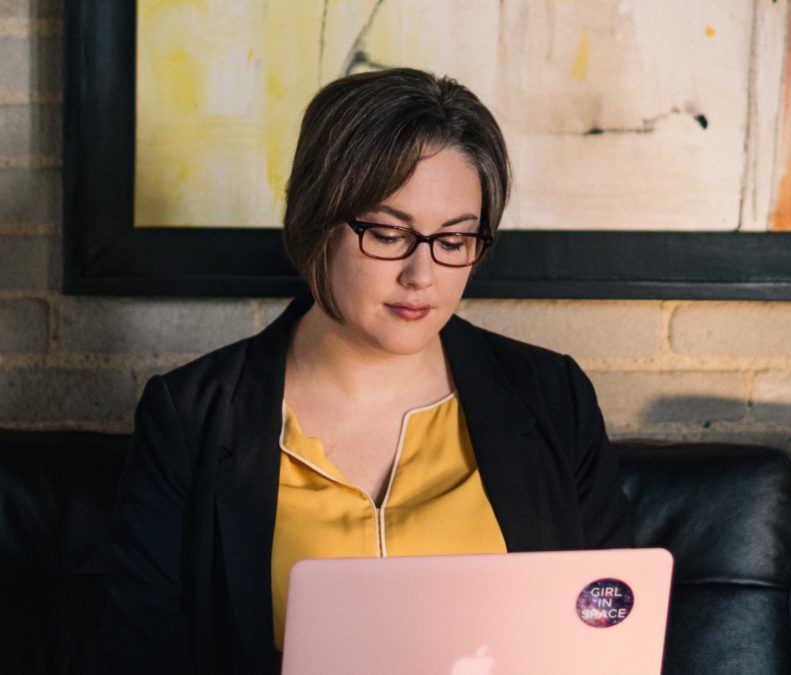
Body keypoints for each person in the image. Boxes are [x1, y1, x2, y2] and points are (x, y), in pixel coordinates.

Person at [88, 68, 632, 674]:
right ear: (318, 219)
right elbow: (139, 653)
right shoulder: (192, 414)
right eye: (388, 233)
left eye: (453, 241)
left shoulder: (552, 396)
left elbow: (607, 634)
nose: (421, 276)